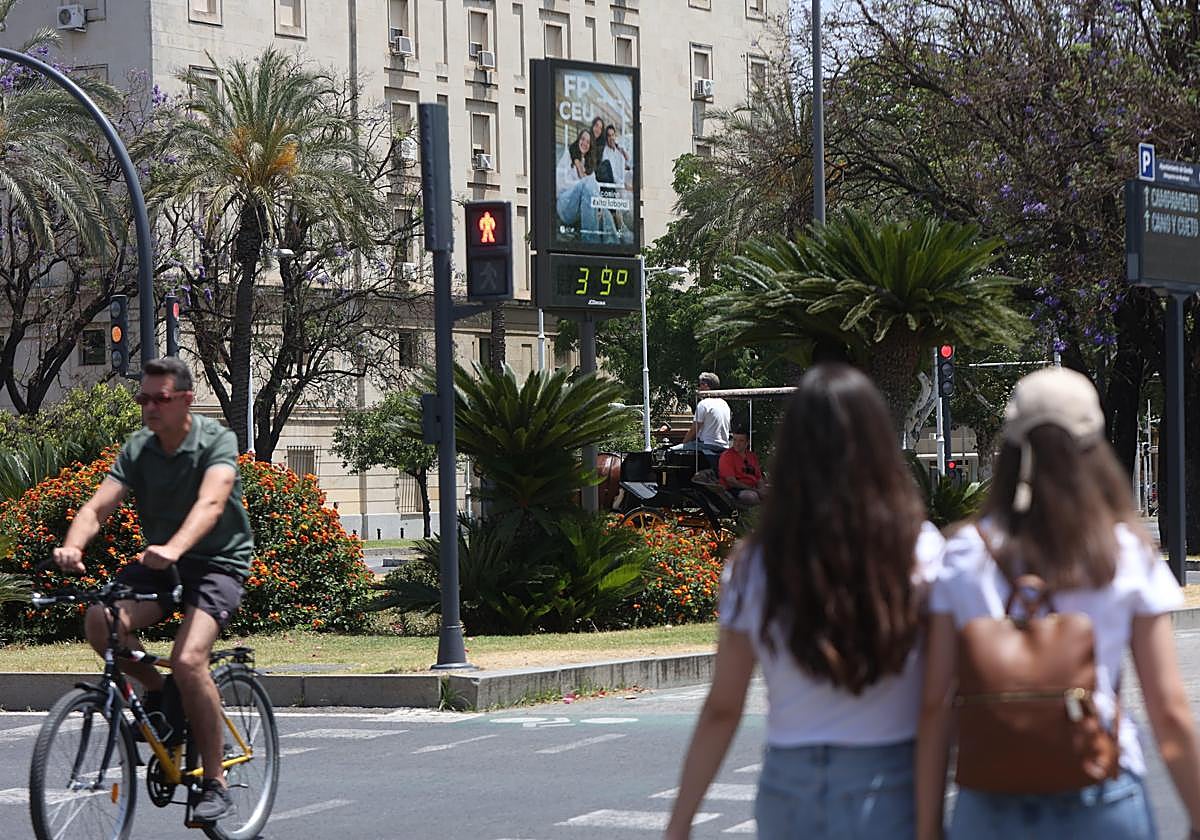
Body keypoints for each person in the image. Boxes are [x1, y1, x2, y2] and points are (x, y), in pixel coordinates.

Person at [916, 366, 1200, 839]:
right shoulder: (1124, 552)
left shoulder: (964, 552)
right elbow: (1168, 709)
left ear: (1009, 449)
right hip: (1101, 794)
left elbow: (933, 702)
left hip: (990, 802)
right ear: (1094, 447)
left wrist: (927, 826)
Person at [664, 363, 945, 840]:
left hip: (789, 784)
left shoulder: (755, 563)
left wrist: (680, 822)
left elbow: (723, 707)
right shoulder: (921, 549)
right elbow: (936, 701)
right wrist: (929, 821)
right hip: (889, 776)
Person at [52, 357, 254, 824]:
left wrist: (175, 547)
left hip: (217, 563)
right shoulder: (140, 448)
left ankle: (215, 781)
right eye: (143, 398)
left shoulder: (215, 440)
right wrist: (72, 546)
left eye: (159, 399)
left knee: (189, 659)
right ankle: (161, 696)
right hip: (161, 561)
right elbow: (97, 506)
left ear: (185, 399)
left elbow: (212, 503)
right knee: (101, 622)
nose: (149, 407)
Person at [555, 126, 616, 243]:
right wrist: (581, 184)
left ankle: (613, 243)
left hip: (581, 209)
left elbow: (594, 189)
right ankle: (591, 241)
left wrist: (598, 206)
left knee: (603, 207)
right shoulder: (569, 155)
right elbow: (560, 183)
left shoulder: (588, 165)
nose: (584, 143)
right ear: (578, 140)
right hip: (565, 205)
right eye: (582, 139)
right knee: (588, 184)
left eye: (588, 142)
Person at [671, 372, 731, 469]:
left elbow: (694, 430)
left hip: (707, 445)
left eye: (699, 385)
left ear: (705, 385)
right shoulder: (724, 404)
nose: (698, 388)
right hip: (724, 445)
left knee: (672, 451)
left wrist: (684, 443)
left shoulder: (704, 404)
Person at [717, 426, 763, 506]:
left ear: (747, 442)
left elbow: (759, 478)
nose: (737, 444)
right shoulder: (727, 456)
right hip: (735, 490)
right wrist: (756, 490)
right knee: (752, 496)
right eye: (735, 440)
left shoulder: (752, 456)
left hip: (753, 487)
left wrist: (763, 489)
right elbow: (731, 482)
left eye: (741, 441)